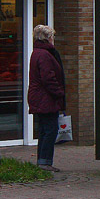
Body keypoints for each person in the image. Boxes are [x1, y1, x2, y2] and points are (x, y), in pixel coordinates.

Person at [27, 25, 65, 172]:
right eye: (51, 37)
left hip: (41, 97)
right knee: (50, 130)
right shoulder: (45, 54)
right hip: (46, 98)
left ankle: (42, 160)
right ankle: (45, 161)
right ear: (47, 38)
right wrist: (59, 92)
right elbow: (48, 77)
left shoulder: (37, 53)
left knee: (44, 130)